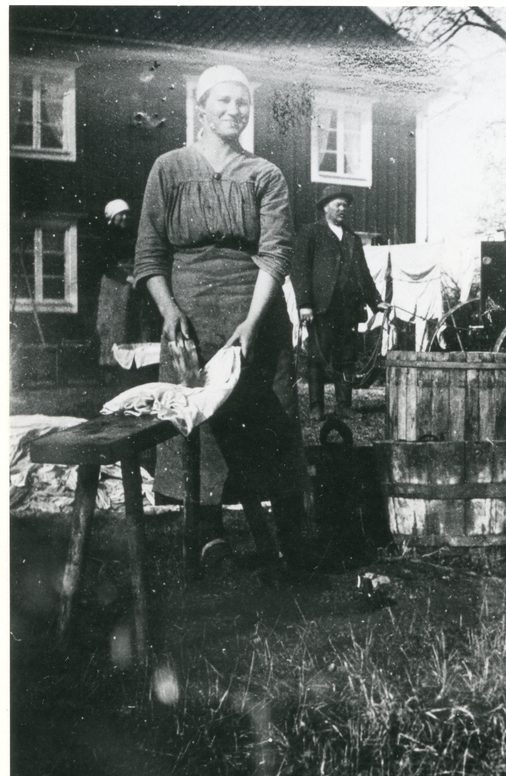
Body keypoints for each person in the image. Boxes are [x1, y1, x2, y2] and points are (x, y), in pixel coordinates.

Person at [134, 65, 312, 576]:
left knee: (272, 422)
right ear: (202, 107)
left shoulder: (265, 174)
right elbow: (149, 254)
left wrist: (252, 325)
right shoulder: (169, 168)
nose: (235, 111)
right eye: (224, 101)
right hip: (190, 319)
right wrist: (170, 311)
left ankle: (293, 539)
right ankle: (209, 537)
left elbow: (276, 255)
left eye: (243, 103)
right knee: (199, 427)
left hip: (255, 316)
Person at [292, 186, 382, 419]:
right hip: (321, 309)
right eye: (337, 204)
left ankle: (344, 405)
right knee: (317, 357)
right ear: (325, 207)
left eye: (345, 205)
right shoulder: (310, 233)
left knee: (347, 358)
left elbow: (363, 274)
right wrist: (305, 304)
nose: (343, 209)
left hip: (349, 309)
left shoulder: (352, 238)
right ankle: (316, 406)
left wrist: (377, 302)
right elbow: (300, 270)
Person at [96, 199, 161, 381]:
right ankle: (111, 366)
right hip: (115, 286)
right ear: (112, 217)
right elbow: (104, 265)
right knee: (116, 323)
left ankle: (136, 365)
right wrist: (126, 278)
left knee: (138, 321)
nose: (124, 217)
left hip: (134, 283)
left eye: (126, 214)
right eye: (120, 214)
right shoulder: (106, 237)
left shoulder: (133, 234)